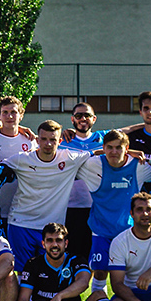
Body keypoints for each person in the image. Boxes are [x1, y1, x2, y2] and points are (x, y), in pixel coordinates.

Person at [3, 120, 100, 271]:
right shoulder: (21, 159)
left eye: (53, 140)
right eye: (44, 139)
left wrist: (130, 152)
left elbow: (101, 151)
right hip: (21, 224)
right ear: (37, 140)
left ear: (60, 141)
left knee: (49, 273)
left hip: (52, 229)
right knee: (21, 274)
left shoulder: (70, 158)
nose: (48, 143)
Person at [84, 130, 151, 301]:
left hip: (127, 231)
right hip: (100, 230)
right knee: (100, 272)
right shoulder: (93, 164)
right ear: (103, 148)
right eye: (109, 148)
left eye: (119, 147)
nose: (114, 152)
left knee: (129, 274)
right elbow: (71, 158)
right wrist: (97, 152)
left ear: (127, 148)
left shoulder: (138, 166)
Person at [13, 223, 110, 301]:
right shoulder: (33, 264)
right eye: (50, 241)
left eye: (59, 240)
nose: (54, 245)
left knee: (99, 294)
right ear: (43, 244)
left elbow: (83, 282)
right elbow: (23, 299)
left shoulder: (76, 260)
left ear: (66, 243)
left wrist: (59, 296)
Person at [59, 101, 106, 269]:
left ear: (94, 119)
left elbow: (127, 132)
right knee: (71, 254)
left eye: (87, 115)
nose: (83, 119)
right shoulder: (62, 141)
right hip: (70, 206)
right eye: (79, 115)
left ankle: (98, 292)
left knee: (96, 257)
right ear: (73, 119)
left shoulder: (103, 139)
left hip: (97, 206)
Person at [0, 95, 36, 222]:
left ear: (21, 115)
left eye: (13, 112)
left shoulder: (30, 140)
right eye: (5, 112)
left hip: (22, 210)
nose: (9, 116)